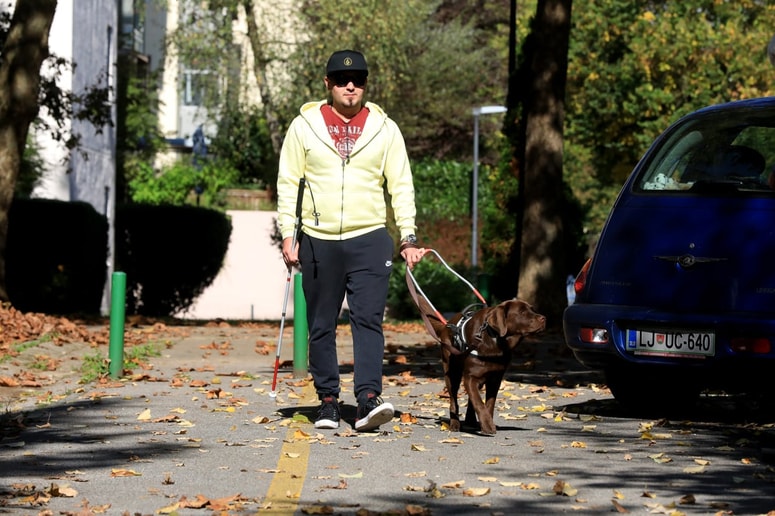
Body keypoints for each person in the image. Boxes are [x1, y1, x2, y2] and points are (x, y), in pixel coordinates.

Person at [276, 50, 426, 431]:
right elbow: (288, 182)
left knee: (369, 321)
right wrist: (288, 234)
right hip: (318, 240)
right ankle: (328, 400)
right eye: (342, 80)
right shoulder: (304, 127)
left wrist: (408, 236)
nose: (350, 86)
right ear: (327, 83)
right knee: (321, 324)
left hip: (369, 239)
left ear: (365, 84)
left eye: (357, 79)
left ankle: (368, 399)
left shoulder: (385, 129)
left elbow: (401, 185)